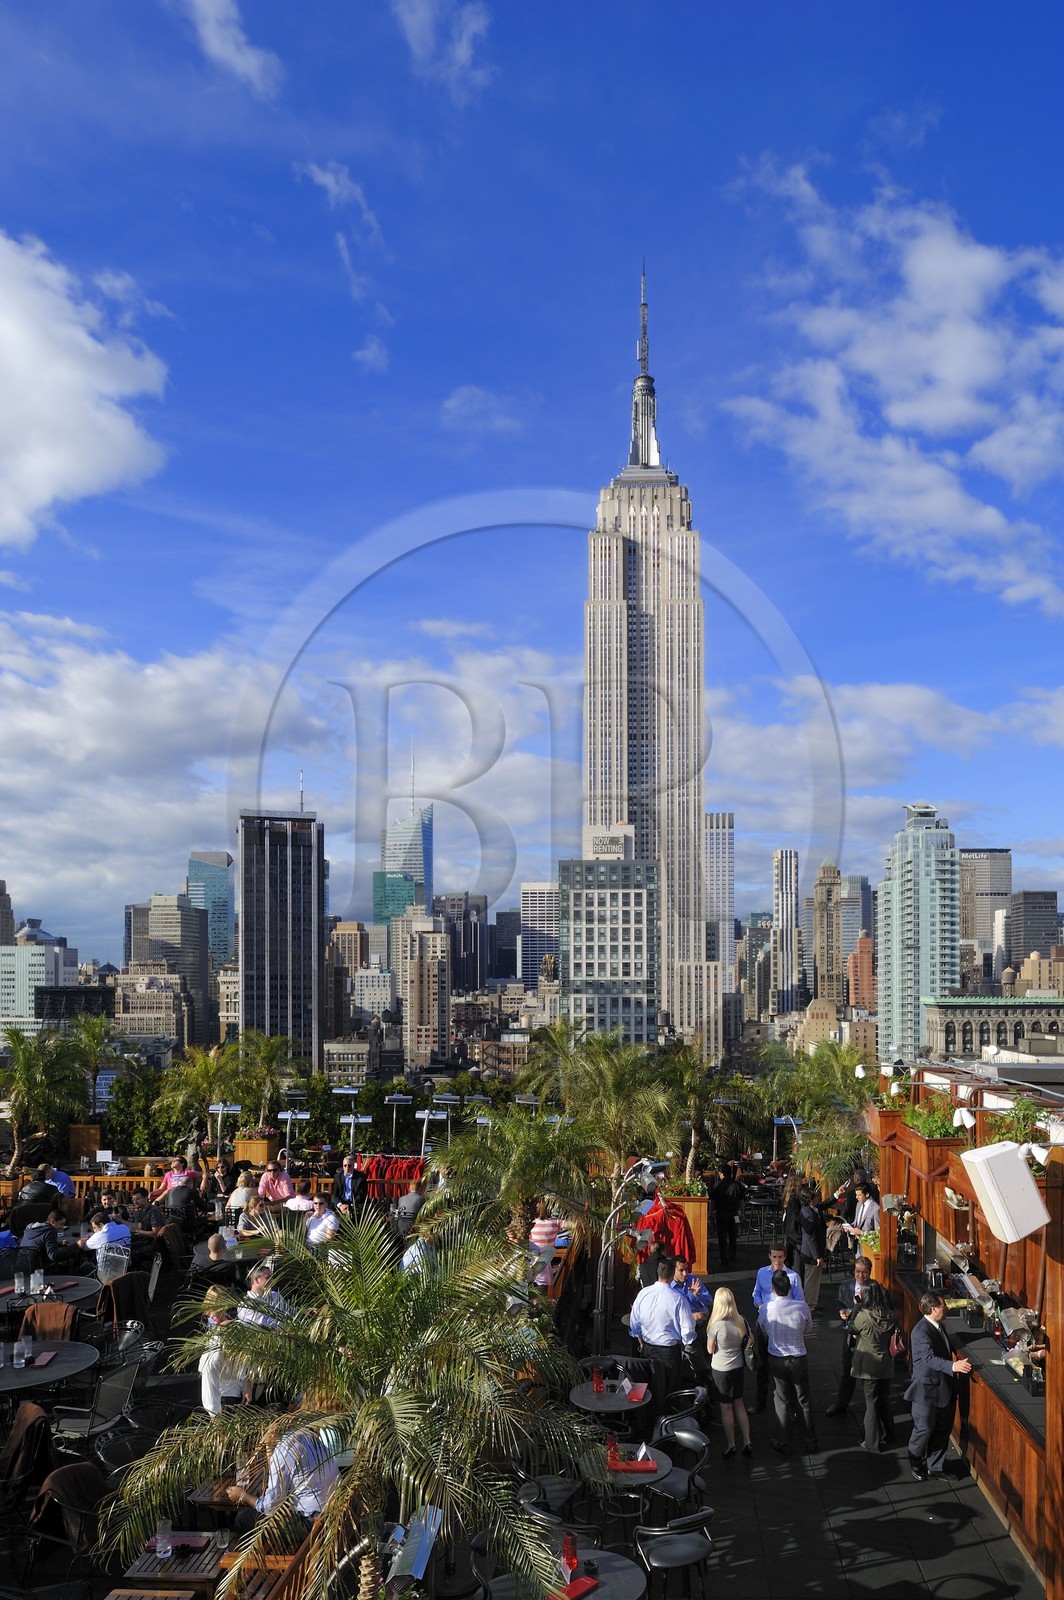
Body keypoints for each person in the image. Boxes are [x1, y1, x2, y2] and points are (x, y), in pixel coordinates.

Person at [226, 1417, 339, 1532]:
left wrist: (243, 1496)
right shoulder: (307, 1436)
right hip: (331, 1511)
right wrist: (269, 1446)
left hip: (311, 1523)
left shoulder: (284, 1450)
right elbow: (278, 1475)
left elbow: (270, 1507)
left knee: (242, 1519)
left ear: (272, 1430)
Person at [905, 1290, 971, 1480]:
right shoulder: (921, 1332)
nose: (947, 1308)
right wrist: (953, 1366)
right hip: (926, 1391)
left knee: (942, 1429)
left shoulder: (938, 1327)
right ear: (933, 1308)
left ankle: (935, 1467)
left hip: (943, 1388)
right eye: (943, 1305)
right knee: (924, 1428)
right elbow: (929, 1358)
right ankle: (915, 1460)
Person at [629, 1257, 698, 1417]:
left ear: (658, 1272)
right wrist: (685, 1342)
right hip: (668, 1353)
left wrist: (640, 1339)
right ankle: (666, 1426)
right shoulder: (677, 1299)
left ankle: (648, 1423)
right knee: (669, 1394)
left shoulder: (643, 1294)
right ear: (672, 1274)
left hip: (648, 1349)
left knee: (649, 1390)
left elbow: (634, 1323)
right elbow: (688, 1330)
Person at [760, 1268, 817, 1456]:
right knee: (803, 1400)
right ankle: (810, 1441)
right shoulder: (802, 1307)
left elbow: (763, 1329)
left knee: (781, 1400)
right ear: (790, 1288)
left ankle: (784, 1441)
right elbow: (808, 1329)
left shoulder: (766, 1309)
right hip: (798, 1357)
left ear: (773, 1289)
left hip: (777, 1358)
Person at [750, 1246, 804, 1413]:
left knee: (786, 1365)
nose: (777, 1260)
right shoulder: (761, 1273)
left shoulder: (793, 1277)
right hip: (764, 1321)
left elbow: (800, 1302)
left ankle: (792, 1407)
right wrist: (760, 1304)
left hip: (783, 1324)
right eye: (774, 1257)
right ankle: (760, 1402)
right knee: (762, 1365)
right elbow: (756, 1293)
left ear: (785, 1257)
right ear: (769, 1256)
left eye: (780, 1257)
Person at [849, 1280, 897, 1453]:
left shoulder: (864, 1316)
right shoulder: (890, 1315)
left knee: (871, 1403)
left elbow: (851, 1328)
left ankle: (871, 1441)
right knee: (884, 1399)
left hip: (868, 1365)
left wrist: (856, 1307)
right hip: (885, 1363)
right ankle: (889, 1434)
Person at [707, 1286, 752, 1459]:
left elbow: (710, 1349)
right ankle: (747, 1441)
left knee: (726, 1408)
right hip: (738, 1368)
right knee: (739, 1404)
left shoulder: (716, 1326)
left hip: (721, 1370)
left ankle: (731, 1444)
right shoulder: (741, 1321)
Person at [825, 1255, 874, 1417]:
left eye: (864, 1272)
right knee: (847, 1372)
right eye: (858, 1272)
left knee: (870, 1377)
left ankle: (872, 1410)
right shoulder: (846, 1286)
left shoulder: (877, 1290)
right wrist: (842, 1311)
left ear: (870, 1272)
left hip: (869, 1339)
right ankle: (841, 1403)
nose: (861, 1275)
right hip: (850, 1337)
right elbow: (840, 1302)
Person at [199, 1288, 252, 1415]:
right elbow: (210, 1371)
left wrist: (246, 1386)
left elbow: (242, 1359)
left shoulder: (228, 1322)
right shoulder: (216, 1331)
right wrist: (214, 1414)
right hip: (223, 1396)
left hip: (235, 1390)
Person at [18, 1208, 82, 1273]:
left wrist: (59, 1243)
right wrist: (76, 1245)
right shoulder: (50, 1231)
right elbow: (54, 1255)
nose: (62, 1227)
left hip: (22, 1267)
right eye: (61, 1224)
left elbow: (39, 1242)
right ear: (52, 1221)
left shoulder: (33, 1229)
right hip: (37, 1270)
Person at [711, 1164, 746, 1268]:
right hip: (734, 1213)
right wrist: (742, 1213)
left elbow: (713, 1201)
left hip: (721, 1213)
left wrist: (711, 1212)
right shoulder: (737, 1185)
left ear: (721, 1173)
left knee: (722, 1237)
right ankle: (732, 1255)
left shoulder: (717, 1185)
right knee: (733, 1235)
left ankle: (723, 1259)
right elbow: (741, 1201)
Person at [842, 1184, 881, 1253]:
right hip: (857, 1246)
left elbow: (878, 1233)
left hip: (868, 1248)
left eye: (859, 1195)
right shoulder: (859, 1204)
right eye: (856, 1195)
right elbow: (856, 1222)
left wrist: (862, 1233)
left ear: (867, 1194)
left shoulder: (876, 1209)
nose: (857, 1197)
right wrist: (850, 1227)